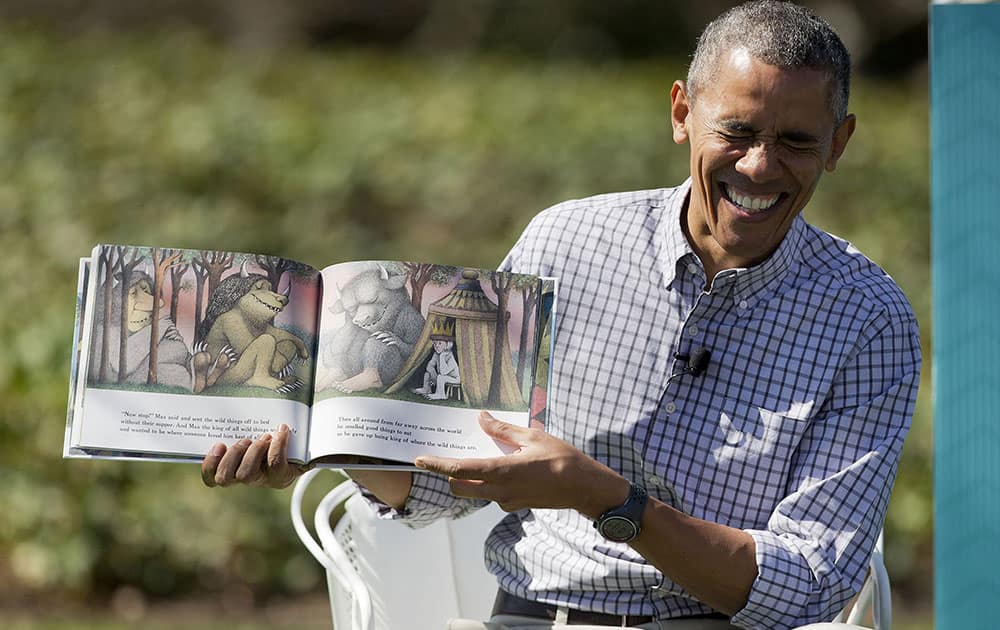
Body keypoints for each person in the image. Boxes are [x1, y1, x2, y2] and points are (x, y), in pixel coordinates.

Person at [202, 2, 921, 628]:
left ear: (839, 144)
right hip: (531, 620)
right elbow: (445, 477)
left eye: (796, 141)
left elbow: (806, 585)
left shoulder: (868, 320)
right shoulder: (564, 242)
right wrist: (327, 445)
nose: (761, 167)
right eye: (737, 132)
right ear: (681, 113)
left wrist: (603, 497)